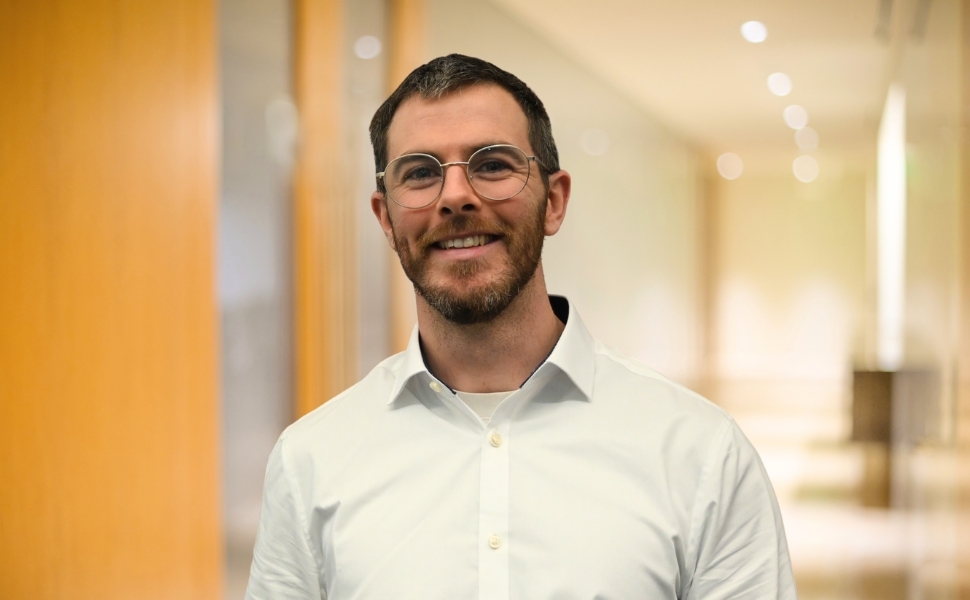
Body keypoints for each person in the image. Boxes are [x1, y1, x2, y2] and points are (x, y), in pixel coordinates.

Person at [245, 54, 797, 600]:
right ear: (386, 218)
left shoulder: (702, 455)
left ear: (553, 202)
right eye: (420, 173)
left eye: (492, 165)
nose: (455, 196)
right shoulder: (311, 462)